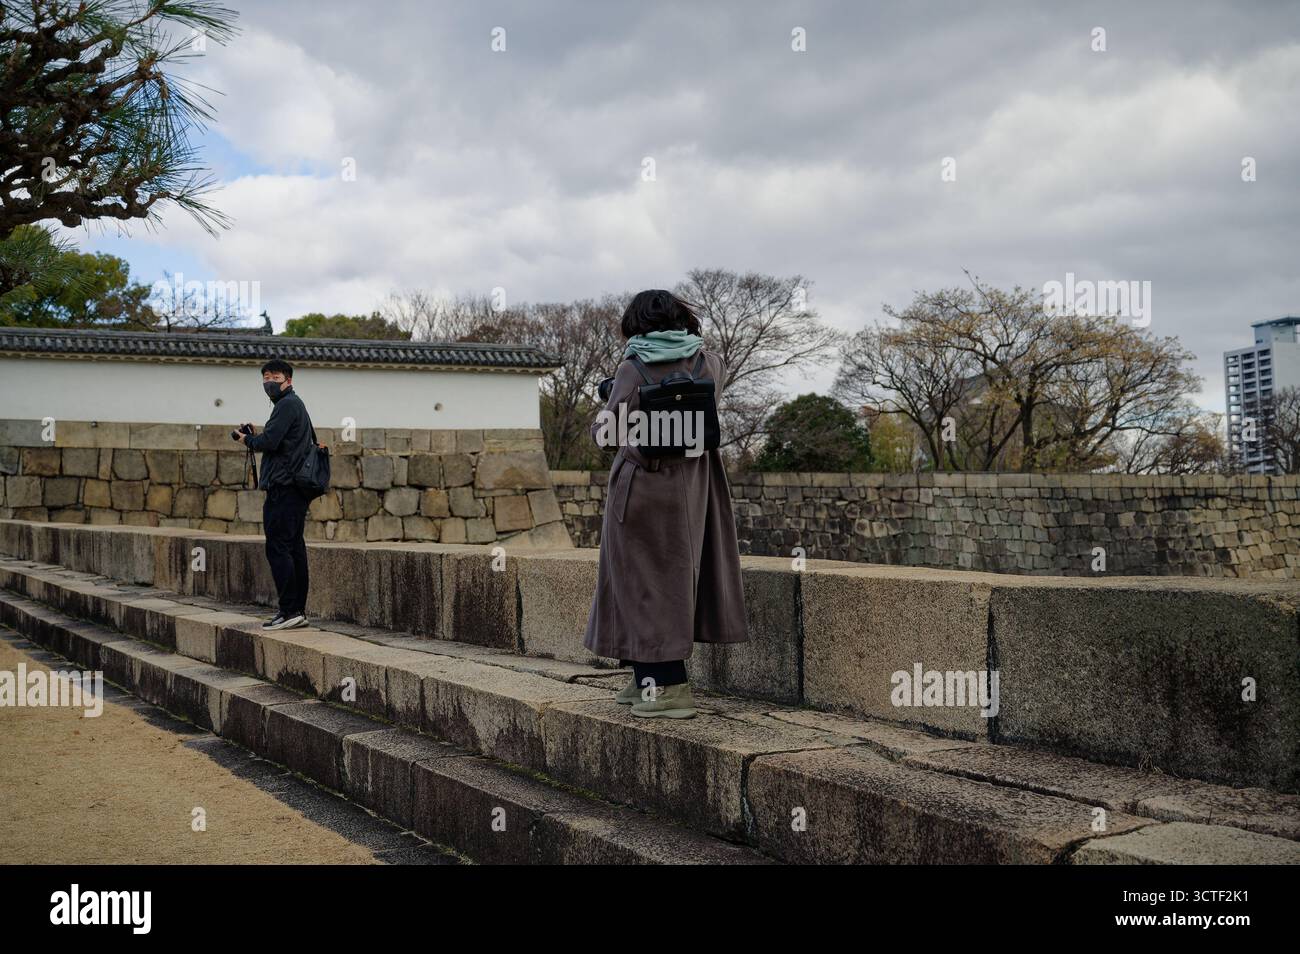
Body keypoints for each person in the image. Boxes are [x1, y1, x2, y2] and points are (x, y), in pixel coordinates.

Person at [583, 289, 750, 718]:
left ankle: (669, 687)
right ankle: (644, 680)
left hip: (643, 486)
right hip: (694, 488)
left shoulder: (633, 366)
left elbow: (608, 435)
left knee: (641, 583)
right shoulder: (709, 362)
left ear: (635, 324)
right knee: (673, 578)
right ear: (682, 318)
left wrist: (609, 398)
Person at [234, 359, 317, 631]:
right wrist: (258, 435)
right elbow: (279, 441)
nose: (269, 381)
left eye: (275, 376)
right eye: (266, 376)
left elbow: (268, 443)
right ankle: (296, 611)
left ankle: (289, 609)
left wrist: (245, 438)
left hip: (285, 486)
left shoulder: (287, 404)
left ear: (288, 380)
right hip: (294, 486)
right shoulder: (292, 405)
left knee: (279, 547)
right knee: (293, 547)